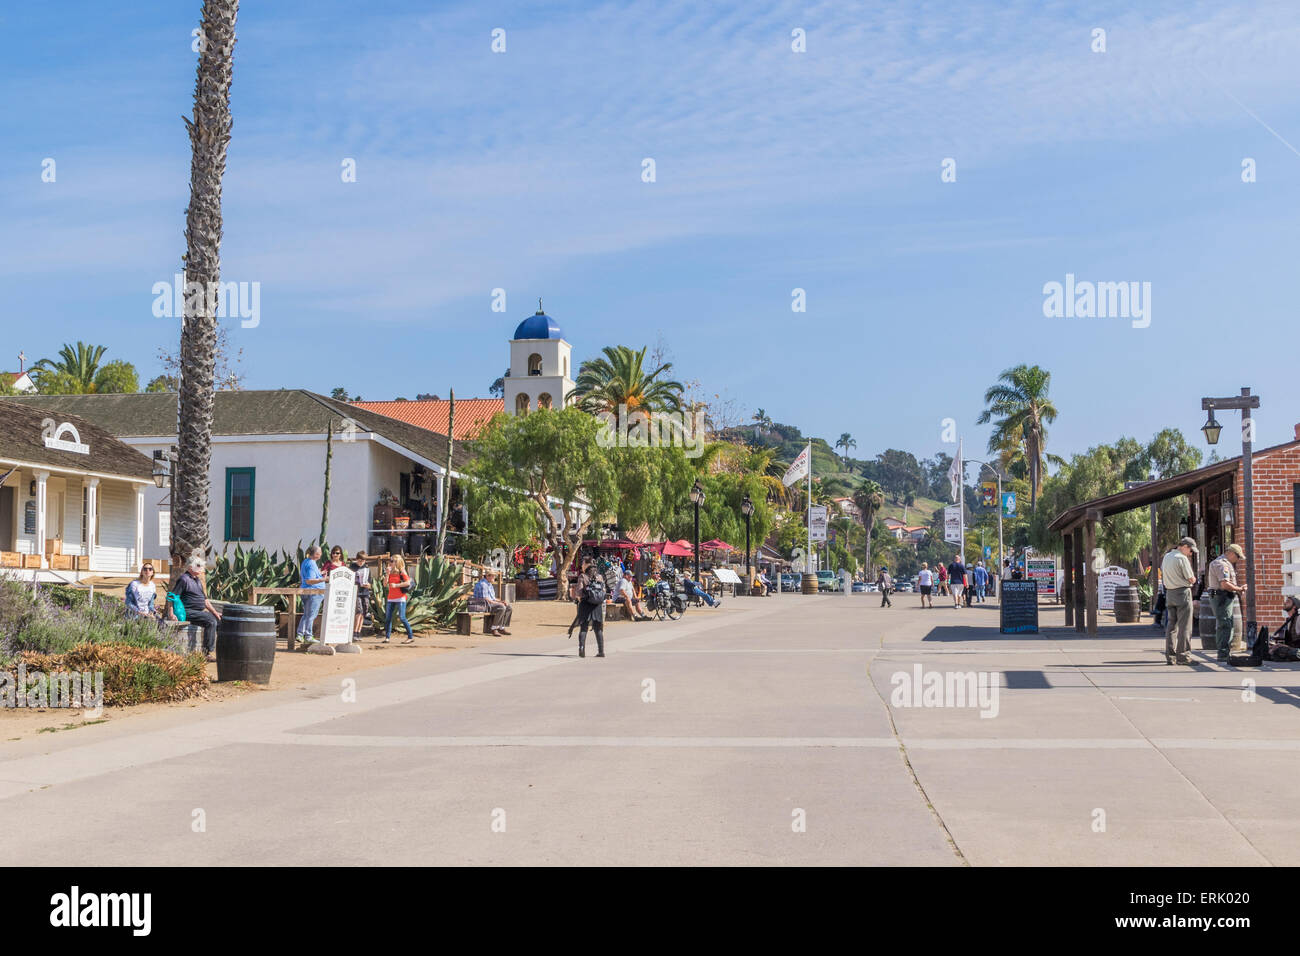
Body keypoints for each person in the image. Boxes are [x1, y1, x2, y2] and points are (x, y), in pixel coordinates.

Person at [174, 556, 222, 661]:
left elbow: (205, 600)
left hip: (198, 611)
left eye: (201, 566)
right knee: (210, 621)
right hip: (187, 611)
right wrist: (171, 613)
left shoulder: (197, 580)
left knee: (218, 620)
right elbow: (173, 596)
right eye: (198, 566)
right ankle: (206, 653)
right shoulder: (183, 579)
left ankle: (221, 651)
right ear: (190, 567)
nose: (201, 568)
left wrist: (215, 612)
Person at [1207, 543, 1248, 662]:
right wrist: (1239, 589)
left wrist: (1237, 589)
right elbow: (1224, 584)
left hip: (1222, 596)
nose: (1238, 559)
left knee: (1226, 623)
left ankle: (1225, 652)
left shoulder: (1225, 563)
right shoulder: (1221, 564)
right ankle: (1223, 653)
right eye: (1238, 556)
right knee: (1225, 624)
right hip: (1221, 597)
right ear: (1231, 553)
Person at [1160, 537, 1198, 665]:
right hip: (1182, 593)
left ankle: (1170, 656)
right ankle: (1183, 656)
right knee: (1185, 626)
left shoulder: (1167, 556)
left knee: (1171, 626)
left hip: (1169, 593)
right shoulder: (1182, 558)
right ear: (1185, 546)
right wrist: (1193, 579)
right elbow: (1190, 578)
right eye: (1191, 551)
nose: (1190, 554)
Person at [572, 558, 606, 658]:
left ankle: (581, 649)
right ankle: (601, 651)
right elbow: (603, 590)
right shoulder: (599, 576)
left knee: (583, 628)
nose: (581, 565)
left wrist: (578, 599)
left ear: (587, 565)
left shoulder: (583, 576)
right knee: (598, 629)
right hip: (597, 606)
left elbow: (578, 592)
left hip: (585, 604)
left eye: (582, 563)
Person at [297, 545, 327, 645]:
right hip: (313, 592)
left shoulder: (306, 561)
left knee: (306, 614)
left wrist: (320, 573)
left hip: (307, 591)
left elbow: (309, 576)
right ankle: (308, 636)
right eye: (320, 552)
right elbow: (309, 580)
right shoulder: (311, 564)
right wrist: (324, 579)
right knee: (311, 615)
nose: (321, 554)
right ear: (316, 554)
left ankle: (300, 634)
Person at [384, 554, 415, 644]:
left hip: (400, 597)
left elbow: (408, 583)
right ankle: (387, 637)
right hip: (391, 597)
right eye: (390, 561)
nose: (390, 562)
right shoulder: (389, 571)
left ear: (397, 562)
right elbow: (385, 584)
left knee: (402, 617)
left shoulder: (402, 571)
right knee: (388, 618)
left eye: (392, 561)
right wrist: (387, 574)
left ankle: (410, 636)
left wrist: (396, 585)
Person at [349, 550, 371, 639]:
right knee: (359, 611)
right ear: (357, 559)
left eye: (363, 561)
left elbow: (370, 582)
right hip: (356, 592)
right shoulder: (352, 567)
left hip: (365, 592)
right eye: (360, 560)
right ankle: (354, 632)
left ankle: (358, 631)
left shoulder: (366, 569)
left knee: (364, 612)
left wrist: (369, 585)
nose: (361, 562)